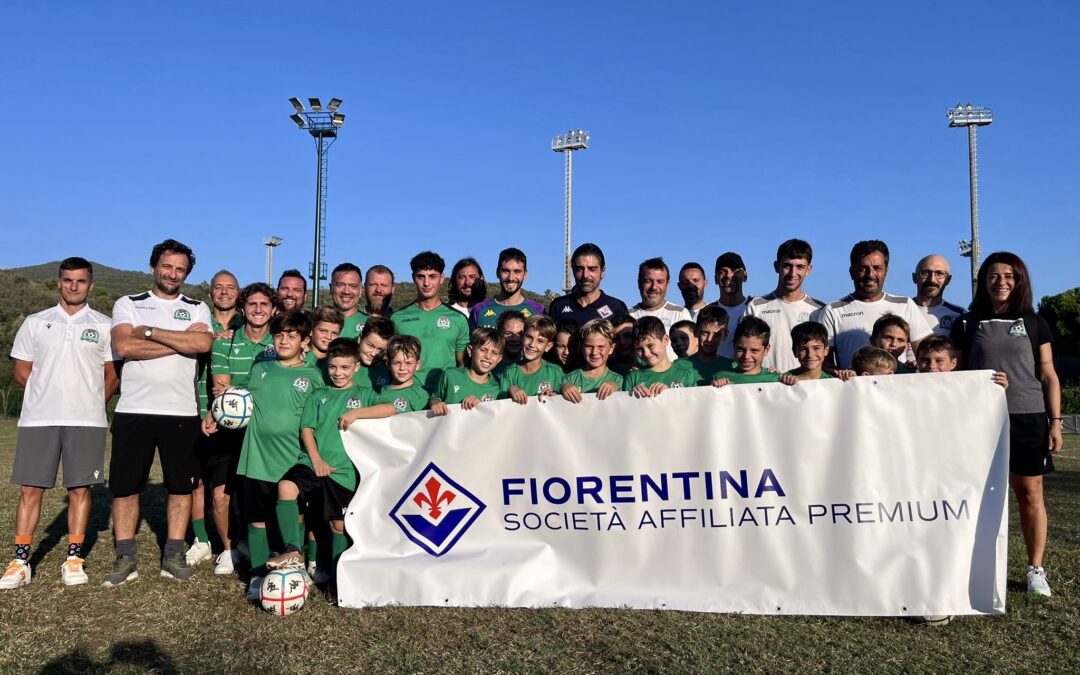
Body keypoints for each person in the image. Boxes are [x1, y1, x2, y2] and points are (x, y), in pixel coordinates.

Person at [1, 258, 119, 589]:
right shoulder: (36, 322)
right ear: (58, 282)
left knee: (80, 489)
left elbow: (112, 375)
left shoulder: (105, 325)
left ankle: (74, 559)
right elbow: (21, 371)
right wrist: (48, 393)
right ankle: (21, 561)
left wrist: (93, 400)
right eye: (68, 280)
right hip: (40, 419)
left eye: (80, 281)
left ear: (90, 285)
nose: (73, 286)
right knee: (30, 489)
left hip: (87, 421)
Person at [950, 252, 1063, 596]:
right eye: (994, 276)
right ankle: (971, 564)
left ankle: (1035, 570)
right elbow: (953, 374)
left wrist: (1055, 422)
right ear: (983, 281)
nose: (1001, 282)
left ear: (1020, 281)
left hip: (1028, 418)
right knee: (976, 496)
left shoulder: (1034, 322)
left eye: (1009, 276)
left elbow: (1047, 374)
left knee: (1029, 494)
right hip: (980, 422)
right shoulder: (968, 323)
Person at [104, 239, 212, 586]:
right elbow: (124, 346)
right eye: (167, 266)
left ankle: (174, 554)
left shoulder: (197, 307)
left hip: (181, 411)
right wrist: (180, 343)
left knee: (180, 488)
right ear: (154, 267)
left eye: (180, 269)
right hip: (134, 409)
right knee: (126, 487)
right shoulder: (128, 303)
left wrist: (150, 333)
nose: (173, 274)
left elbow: (202, 344)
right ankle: (125, 557)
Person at [211, 310, 322, 599]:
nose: (284, 340)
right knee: (256, 519)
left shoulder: (313, 376)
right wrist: (219, 410)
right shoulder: (261, 368)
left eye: (292, 335)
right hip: (257, 459)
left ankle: (295, 567)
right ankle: (258, 576)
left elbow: (321, 417)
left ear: (305, 342)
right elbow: (239, 399)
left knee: (295, 515)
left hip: (292, 458)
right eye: (280, 334)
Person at [265, 338, 369, 593]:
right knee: (287, 487)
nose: (338, 373)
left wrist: (357, 413)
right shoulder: (318, 394)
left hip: (343, 471)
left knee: (339, 526)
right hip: (314, 463)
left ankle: (339, 581)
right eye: (333, 367)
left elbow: (390, 409)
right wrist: (316, 460)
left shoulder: (364, 394)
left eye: (345, 367)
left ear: (356, 367)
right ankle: (292, 551)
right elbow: (307, 430)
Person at [191, 283, 279, 574]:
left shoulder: (278, 345)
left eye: (264, 305)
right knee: (220, 495)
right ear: (242, 309)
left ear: (273, 310)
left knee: (264, 493)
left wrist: (239, 392)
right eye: (252, 304)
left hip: (265, 430)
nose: (258, 310)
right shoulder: (224, 342)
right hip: (229, 427)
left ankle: (267, 545)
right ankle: (228, 550)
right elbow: (221, 387)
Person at [190, 270, 244, 565]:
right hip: (197, 409)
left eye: (231, 287)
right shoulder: (200, 322)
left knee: (229, 486)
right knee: (196, 480)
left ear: (239, 292)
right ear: (210, 294)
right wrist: (208, 338)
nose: (224, 292)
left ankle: (235, 539)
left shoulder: (248, 323)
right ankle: (201, 539)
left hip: (234, 417)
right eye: (219, 288)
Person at [817, 240, 932, 369]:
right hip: (854, 388)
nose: (870, 274)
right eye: (862, 268)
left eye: (877, 268)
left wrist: (914, 367)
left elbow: (928, 354)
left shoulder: (905, 305)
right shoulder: (833, 311)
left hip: (898, 387)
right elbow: (823, 364)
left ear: (886, 271)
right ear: (851, 272)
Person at [392, 252, 470, 391]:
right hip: (408, 395)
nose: (426, 283)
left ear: (441, 278)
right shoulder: (397, 318)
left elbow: (462, 364)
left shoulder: (458, 319)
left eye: (432, 276)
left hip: (445, 395)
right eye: (421, 276)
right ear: (413, 278)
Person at [745, 239, 825, 373]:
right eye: (787, 266)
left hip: (804, 387)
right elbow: (744, 347)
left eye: (800, 267)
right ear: (777, 266)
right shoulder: (756, 306)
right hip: (766, 385)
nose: (793, 273)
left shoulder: (819, 310)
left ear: (808, 269)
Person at [547, 243, 629, 326]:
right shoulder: (558, 306)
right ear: (573, 271)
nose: (585, 275)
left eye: (592, 269)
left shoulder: (617, 308)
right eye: (580, 269)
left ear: (603, 271)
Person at [429, 328, 505, 415]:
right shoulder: (451, 375)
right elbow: (435, 397)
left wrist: (482, 408)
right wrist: (434, 402)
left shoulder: (498, 388)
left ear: (499, 359)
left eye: (494, 353)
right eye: (483, 350)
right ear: (470, 350)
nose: (488, 356)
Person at [630, 257, 692, 361]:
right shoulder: (628, 315)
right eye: (648, 281)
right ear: (639, 283)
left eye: (660, 281)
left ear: (667, 284)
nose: (654, 287)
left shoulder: (680, 314)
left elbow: (690, 352)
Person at [470, 248, 545, 328]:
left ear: (525, 275)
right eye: (506, 271)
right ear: (497, 272)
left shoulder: (538, 311)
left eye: (517, 272)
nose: (511, 278)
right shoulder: (479, 310)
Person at [622, 317, 697, 397]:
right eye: (639, 349)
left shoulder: (686, 375)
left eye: (650, 345)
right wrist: (632, 397)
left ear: (665, 340)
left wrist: (670, 394)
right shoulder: (633, 378)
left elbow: (693, 405)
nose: (646, 353)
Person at [502, 315, 566, 403]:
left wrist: (555, 395)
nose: (532, 344)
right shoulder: (510, 372)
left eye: (540, 341)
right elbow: (500, 404)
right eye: (529, 337)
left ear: (548, 346)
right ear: (522, 337)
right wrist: (510, 392)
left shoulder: (555, 372)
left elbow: (562, 402)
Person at [560, 319, 624, 403]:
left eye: (601, 347)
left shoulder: (618, 380)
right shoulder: (570, 379)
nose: (594, 352)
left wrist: (615, 388)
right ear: (582, 348)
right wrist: (563, 389)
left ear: (611, 349)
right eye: (589, 346)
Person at [709, 252, 751, 360]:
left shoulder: (755, 308)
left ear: (745, 276)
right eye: (723, 271)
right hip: (714, 375)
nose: (729, 275)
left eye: (735, 270)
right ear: (716, 279)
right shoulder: (707, 311)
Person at [717, 316, 780, 385]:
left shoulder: (776, 379)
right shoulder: (720, 379)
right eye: (741, 349)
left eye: (754, 351)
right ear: (734, 346)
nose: (746, 356)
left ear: (766, 350)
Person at [912, 255, 964, 336]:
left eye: (939, 273)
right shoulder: (900, 311)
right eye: (925, 273)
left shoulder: (960, 315)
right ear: (914, 277)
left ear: (948, 280)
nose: (932, 279)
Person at [683, 305, 732, 386]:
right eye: (705, 333)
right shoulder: (679, 366)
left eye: (716, 335)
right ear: (695, 331)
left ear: (725, 335)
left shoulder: (732, 367)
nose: (709, 339)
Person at [354, 317, 395, 393]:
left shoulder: (389, 369)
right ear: (360, 339)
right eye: (370, 345)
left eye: (381, 350)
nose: (373, 353)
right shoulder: (343, 361)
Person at [330, 263, 365, 339]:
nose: (346, 291)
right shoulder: (314, 322)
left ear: (360, 291)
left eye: (353, 286)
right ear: (331, 288)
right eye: (340, 285)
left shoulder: (372, 324)